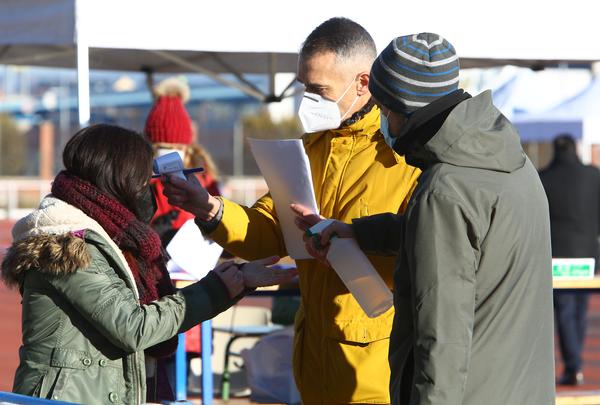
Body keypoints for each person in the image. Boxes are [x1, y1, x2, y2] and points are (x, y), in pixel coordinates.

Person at [163, 17, 420, 404]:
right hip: (312, 362)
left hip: (374, 370)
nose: (308, 101)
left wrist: (351, 243)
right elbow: (266, 230)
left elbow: (425, 247)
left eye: (318, 90)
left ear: (363, 84)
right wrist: (211, 208)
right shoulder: (311, 146)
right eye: (304, 87)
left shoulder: (404, 157)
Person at [293, 33, 555, 404]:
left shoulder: (444, 188)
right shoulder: (509, 162)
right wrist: (358, 233)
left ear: (405, 108)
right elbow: (461, 239)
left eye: (384, 110)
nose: (383, 120)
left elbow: (440, 337)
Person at [0, 124, 297, 405]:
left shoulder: (110, 234)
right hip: (69, 396)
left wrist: (239, 278)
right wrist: (218, 289)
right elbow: (133, 327)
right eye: (142, 180)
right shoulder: (66, 244)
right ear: (116, 180)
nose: (148, 190)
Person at [144, 76, 223, 389]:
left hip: (193, 281)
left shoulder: (204, 182)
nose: (169, 153)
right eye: (162, 147)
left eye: (176, 148)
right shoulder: (142, 182)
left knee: (183, 359)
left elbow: (220, 224)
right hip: (154, 286)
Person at [539, 134, 600, 385]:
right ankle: (575, 362)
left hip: (556, 254)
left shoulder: (543, 178)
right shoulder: (593, 176)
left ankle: (573, 365)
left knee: (563, 310)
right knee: (580, 310)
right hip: (587, 253)